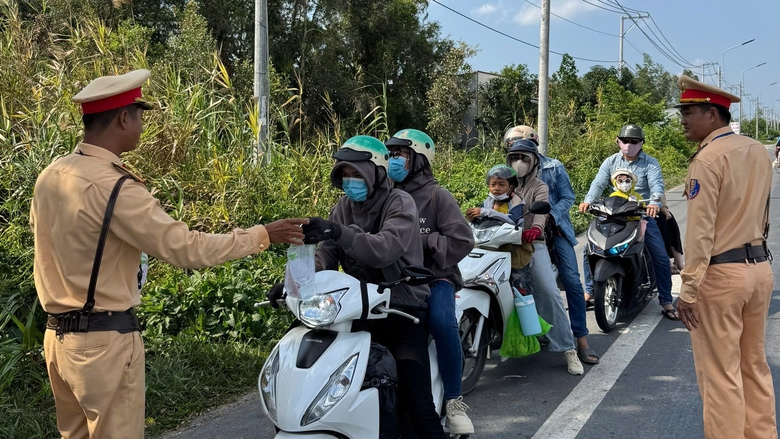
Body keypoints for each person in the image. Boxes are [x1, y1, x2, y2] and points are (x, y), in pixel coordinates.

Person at [29, 69, 307, 439]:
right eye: (140, 115)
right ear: (124, 117)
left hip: (58, 343)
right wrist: (261, 235)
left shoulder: (51, 175)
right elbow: (187, 249)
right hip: (104, 346)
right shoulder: (114, 187)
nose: (142, 125)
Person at [293, 135, 446, 438]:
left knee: (417, 398)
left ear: (376, 172)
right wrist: (295, 282)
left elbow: (384, 248)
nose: (351, 182)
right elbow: (326, 252)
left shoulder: (399, 202)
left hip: (401, 307)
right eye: (345, 175)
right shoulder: (344, 206)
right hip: (355, 307)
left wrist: (339, 233)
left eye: (357, 174)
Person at [675, 75, 775, 439]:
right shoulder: (758, 151)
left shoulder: (706, 160)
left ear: (712, 115)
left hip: (721, 277)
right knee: (754, 367)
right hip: (759, 270)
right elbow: (762, 216)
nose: (683, 119)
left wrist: (688, 289)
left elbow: (700, 233)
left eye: (689, 112)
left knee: (720, 376)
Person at [385, 128, 475, 435]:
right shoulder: (384, 194)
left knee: (440, 321)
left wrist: (423, 242)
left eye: (401, 154)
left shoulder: (438, 196)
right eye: (391, 154)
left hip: (437, 277)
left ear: (420, 159)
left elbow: (463, 240)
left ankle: (453, 398)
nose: (394, 160)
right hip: (397, 279)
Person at [503, 125, 599, 365]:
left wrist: (550, 216)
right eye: (511, 148)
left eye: (520, 148)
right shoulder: (509, 172)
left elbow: (568, 197)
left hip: (554, 230)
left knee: (571, 283)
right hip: (521, 235)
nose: (516, 154)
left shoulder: (553, 167)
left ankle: (581, 339)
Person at [578, 123, 678, 321]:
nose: (629, 145)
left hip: (641, 214)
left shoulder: (650, 163)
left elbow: (657, 185)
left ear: (642, 143)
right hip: (612, 213)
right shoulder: (610, 161)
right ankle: (590, 290)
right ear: (618, 141)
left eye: (634, 141)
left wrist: (654, 203)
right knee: (589, 248)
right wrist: (588, 200)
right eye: (625, 141)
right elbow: (598, 183)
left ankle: (666, 300)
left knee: (658, 253)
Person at [465, 164, 535, 270]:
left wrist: (486, 212)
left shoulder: (516, 201)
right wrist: (472, 217)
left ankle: (519, 286)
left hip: (511, 247)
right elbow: (481, 221)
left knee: (516, 275)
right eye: (493, 184)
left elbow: (512, 220)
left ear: (511, 187)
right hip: (488, 244)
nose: (496, 188)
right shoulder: (488, 202)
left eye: (501, 185)